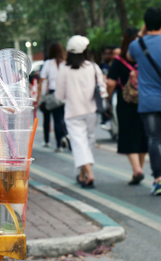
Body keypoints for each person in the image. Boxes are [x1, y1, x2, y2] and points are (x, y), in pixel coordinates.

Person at [55, 35, 106, 188]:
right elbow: (102, 88)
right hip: (91, 111)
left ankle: (89, 174)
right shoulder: (92, 67)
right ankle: (83, 174)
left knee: (79, 144)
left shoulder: (64, 69)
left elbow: (59, 95)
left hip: (73, 112)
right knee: (88, 143)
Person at [107, 28, 148, 185]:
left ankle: (136, 170)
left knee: (128, 135)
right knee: (143, 136)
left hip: (125, 103)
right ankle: (139, 169)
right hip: (145, 100)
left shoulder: (118, 60)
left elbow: (110, 83)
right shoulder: (144, 57)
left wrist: (108, 99)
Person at [127, 7, 161, 196]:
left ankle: (158, 179)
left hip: (148, 102)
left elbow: (130, 58)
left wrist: (142, 33)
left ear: (146, 25)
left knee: (154, 140)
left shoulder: (137, 45)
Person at [37, 43, 68, 152]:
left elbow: (42, 80)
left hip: (52, 93)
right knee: (60, 118)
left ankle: (55, 143)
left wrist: (39, 96)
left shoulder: (48, 63)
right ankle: (63, 139)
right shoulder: (65, 63)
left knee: (50, 118)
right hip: (64, 93)